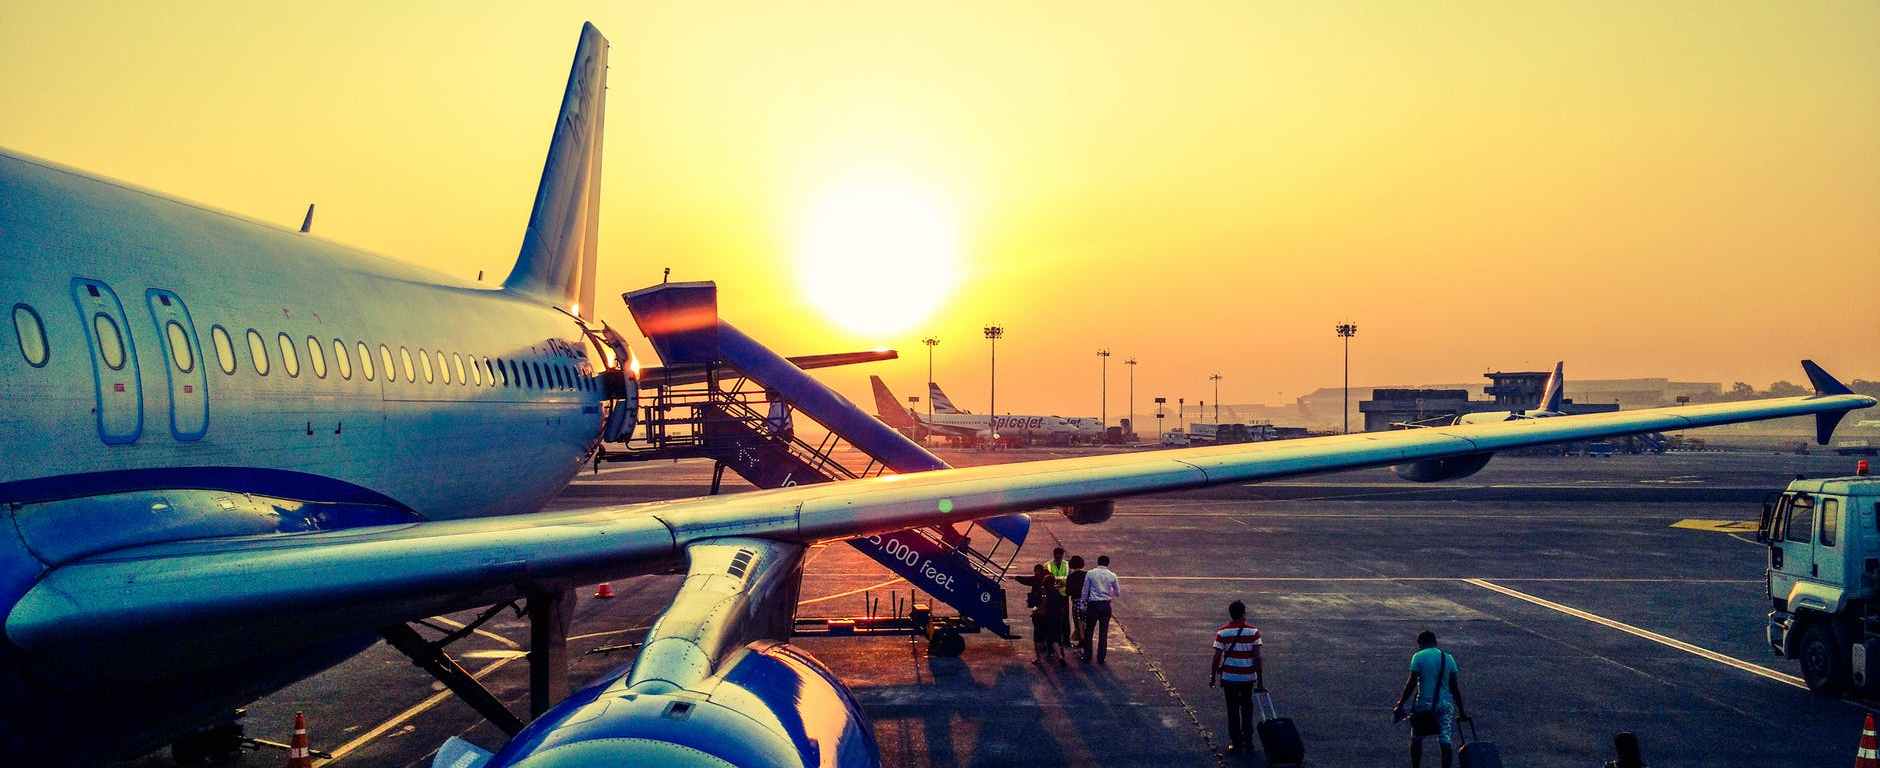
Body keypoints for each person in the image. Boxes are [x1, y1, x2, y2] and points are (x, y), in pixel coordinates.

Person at [1393, 630, 1466, 768]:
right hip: (1445, 704)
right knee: (1445, 740)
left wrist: (1401, 703)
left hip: (1424, 704)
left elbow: (1412, 682)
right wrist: (1461, 711)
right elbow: (1454, 688)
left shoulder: (1418, 656)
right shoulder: (1448, 658)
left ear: (1421, 643)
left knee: (1417, 738)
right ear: (1435, 642)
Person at [1209, 600, 1263, 754]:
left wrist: (1213, 677)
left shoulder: (1222, 632)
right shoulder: (1253, 632)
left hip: (1230, 678)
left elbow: (1217, 657)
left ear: (1230, 613)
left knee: (1232, 710)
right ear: (1244, 613)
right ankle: (1249, 741)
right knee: (1247, 709)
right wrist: (1260, 681)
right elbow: (1257, 658)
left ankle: (1236, 742)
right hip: (1247, 678)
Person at [1081, 555, 1119, 663]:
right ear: (1108, 563)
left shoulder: (1090, 573)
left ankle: (1087, 655)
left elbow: (1085, 590)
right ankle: (1101, 657)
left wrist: (1083, 603)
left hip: (1093, 605)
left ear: (1098, 562)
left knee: (1089, 631)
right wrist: (1108, 591)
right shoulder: (1112, 575)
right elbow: (1117, 592)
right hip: (1105, 605)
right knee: (1103, 633)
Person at [1065, 556, 1089, 651]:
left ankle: (1082, 642)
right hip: (1087, 602)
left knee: (1078, 622)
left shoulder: (1071, 576)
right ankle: (1085, 642)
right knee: (1085, 623)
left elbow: (1068, 592)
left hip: (1076, 602)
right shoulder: (1087, 574)